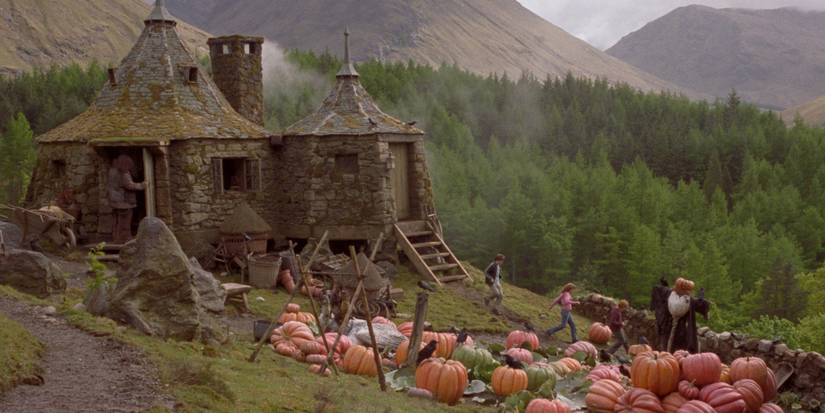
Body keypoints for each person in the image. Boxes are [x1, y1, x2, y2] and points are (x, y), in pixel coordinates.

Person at [107, 154, 145, 243]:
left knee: (117, 221)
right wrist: (143, 185)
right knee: (125, 221)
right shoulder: (123, 173)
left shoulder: (112, 171)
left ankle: (116, 238)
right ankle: (124, 238)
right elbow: (130, 185)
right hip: (124, 202)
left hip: (114, 201)